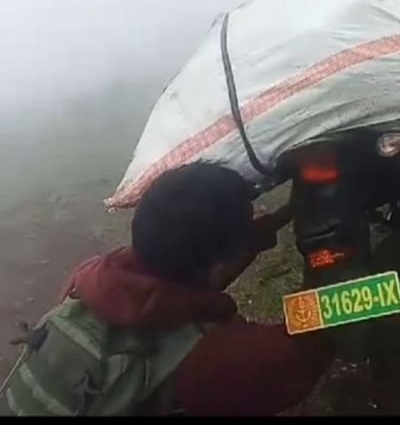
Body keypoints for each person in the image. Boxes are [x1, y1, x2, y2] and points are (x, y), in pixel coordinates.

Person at [1, 163, 332, 416]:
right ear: (220, 260)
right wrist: (331, 250)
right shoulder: (215, 360)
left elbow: (177, 287)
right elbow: (312, 344)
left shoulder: (86, 282)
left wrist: (260, 231)